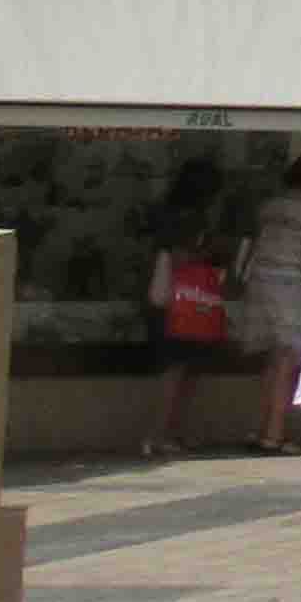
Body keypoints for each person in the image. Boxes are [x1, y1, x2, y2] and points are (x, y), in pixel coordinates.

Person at [231, 152, 301, 454]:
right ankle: (275, 435)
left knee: (273, 360)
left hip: (261, 286)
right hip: (292, 291)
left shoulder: (270, 207)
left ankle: (262, 429)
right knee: (287, 362)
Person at [134, 155, 235, 460]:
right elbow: (181, 257)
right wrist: (212, 253)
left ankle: (166, 434)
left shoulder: (163, 212)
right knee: (180, 371)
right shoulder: (191, 218)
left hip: (161, 297)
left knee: (176, 370)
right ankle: (161, 434)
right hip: (184, 302)